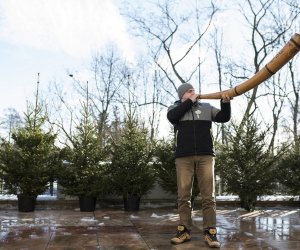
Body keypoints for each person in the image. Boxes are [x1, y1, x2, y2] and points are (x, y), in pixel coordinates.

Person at [167, 83, 232, 248]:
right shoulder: (174, 108)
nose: (193, 92)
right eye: (189, 91)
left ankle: (210, 233)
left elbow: (224, 118)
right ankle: (184, 231)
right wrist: (188, 102)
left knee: (208, 197)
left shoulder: (206, 107)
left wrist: (225, 103)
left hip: (206, 156)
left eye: (193, 90)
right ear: (183, 95)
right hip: (183, 157)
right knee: (183, 196)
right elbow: (173, 117)